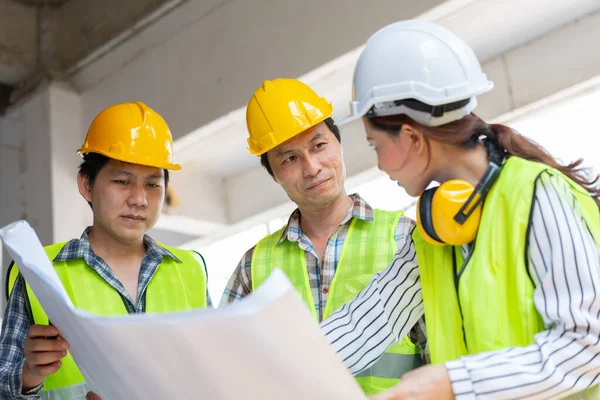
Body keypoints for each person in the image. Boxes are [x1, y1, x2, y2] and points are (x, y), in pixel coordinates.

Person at [320, 20, 600, 399]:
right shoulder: (436, 230)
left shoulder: (539, 195)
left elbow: (587, 347)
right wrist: (273, 373)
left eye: (374, 145)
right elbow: (366, 322)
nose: (381, 165)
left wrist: (453, 382)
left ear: (411, 137)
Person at [221, 78, 427, 395]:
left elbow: (440, 354)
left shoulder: (404, 238)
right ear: (274, 175)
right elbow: (229, 372)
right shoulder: (253, 266)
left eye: (319, 146)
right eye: (289, 158)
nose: (312, 167)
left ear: (339, 145)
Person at [0, 102, 212, 399]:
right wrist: (29, 375)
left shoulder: (191, 270)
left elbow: (212, 378)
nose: (139, 199)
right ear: (86, 185)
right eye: (122, 181)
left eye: (153, 184)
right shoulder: (39, 272)